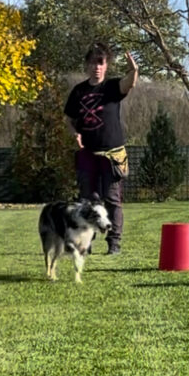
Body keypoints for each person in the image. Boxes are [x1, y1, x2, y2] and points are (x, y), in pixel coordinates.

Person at [63, 43, 138, 254]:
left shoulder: (112, 87)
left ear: (106, 66)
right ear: (86, 65)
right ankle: (86, 243)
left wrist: (134, 71)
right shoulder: (78, 91)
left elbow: (129, 84)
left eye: (101, 63)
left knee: (113, 200)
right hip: (88, 154)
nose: (96, 67)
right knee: (88, 201)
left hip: (112, 154)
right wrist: (74, 133)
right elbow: (69, 119)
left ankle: (114, 244)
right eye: (93, 63)